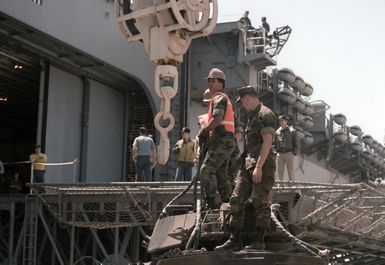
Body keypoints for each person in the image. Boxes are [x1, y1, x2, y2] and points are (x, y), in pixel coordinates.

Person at [215, 85, 276, 251]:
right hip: (248, 166)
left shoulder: (265, 114)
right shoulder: (252, 116)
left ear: (248, 98)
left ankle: (259, 241)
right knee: (236, 199)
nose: (242, 106)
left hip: (262, 166)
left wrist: (259, 167)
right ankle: (235, 239)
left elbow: (268, 142)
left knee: (260, 202)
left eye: (242, 102)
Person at [198, 68, 236, 209]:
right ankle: (229, 204)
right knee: (220, 175)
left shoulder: (219, 98)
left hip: (222, 140)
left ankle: (214, 205)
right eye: (209, 80)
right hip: (224, 141)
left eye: (213, 80)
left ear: (221, 83)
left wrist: (204, 131)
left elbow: (217, 120)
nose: (210, 83)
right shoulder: (220, 98)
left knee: (206, 171)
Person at [274, 115, 298, 183]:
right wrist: (275, 152)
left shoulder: (292, 131)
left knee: (290, 171)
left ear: (286, 121)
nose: (281, 122)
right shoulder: (277, 132)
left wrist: (294, 152)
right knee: (279, 172)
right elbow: (274, 143)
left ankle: (292, 187)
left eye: (282, 121)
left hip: (289, 153)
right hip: (280, 154)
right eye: (280, 121)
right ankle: (280, 187)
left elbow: (296, 142)